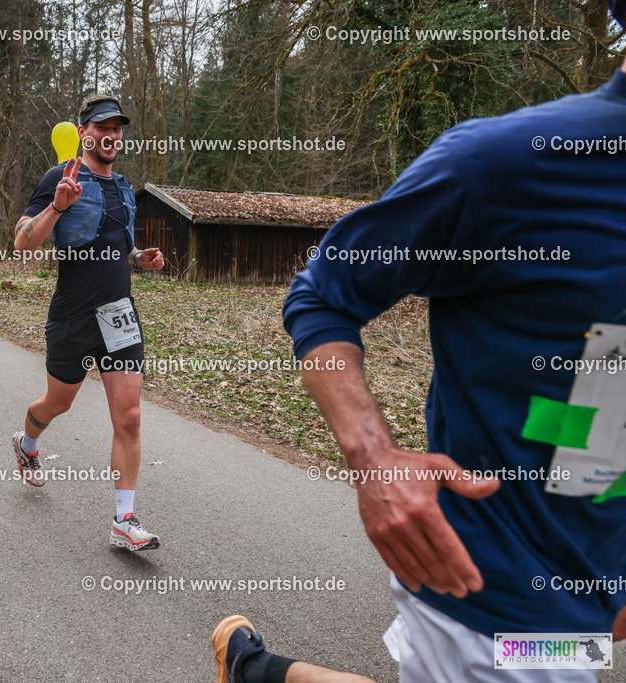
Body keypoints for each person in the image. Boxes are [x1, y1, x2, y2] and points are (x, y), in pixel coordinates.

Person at [213, 2, 626, 680]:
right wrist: (374, 457)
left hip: (592, 602)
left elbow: (606, 387)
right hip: (485, 585)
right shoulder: (506, 165)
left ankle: (254, 669)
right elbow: (322, 293)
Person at [11, 95, 165, 551]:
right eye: (104, 128)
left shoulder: (123, 187)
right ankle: (27, 442)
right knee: (59, 403)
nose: (112, 136)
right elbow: (23, 242)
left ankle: (124, 520)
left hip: (119, 314)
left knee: (130, 417)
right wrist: (56, 207)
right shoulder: (60, 177)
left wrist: (141, 258)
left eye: (118, 129)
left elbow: (123, 246)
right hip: (73, 317)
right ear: (84, 133)